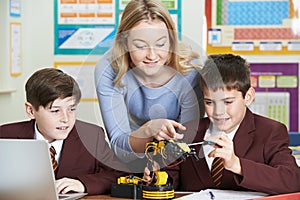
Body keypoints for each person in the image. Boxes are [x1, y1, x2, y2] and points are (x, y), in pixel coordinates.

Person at [144, 54, 300, 194]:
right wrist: (155, 179)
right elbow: (172, 181)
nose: (218, 112)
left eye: (228, 102)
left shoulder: (270, 132)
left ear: (248, 97)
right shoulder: (187, 131)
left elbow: (292, 180)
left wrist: (237, 165)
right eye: (209, 102)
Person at [94, 0, 204, 169]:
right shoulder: (108, 70)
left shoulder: (192, 69)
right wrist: (148, 131)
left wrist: (158, 164)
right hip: (129, 164)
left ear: (172, 41)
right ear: (125, 44)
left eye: (160, 44)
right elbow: (118, 146)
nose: (152, 55)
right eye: (140, 46)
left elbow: (186, 140)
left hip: (177, 166)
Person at [0, 68, 128, 195]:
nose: (66, 119)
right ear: (31, 110)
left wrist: (82, 183)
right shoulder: (5, 136)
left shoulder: (91, 136)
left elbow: (120, 174)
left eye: (71, 109)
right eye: (55, 111)